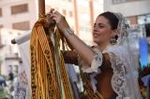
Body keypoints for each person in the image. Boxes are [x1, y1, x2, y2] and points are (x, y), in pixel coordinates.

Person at [47, 9, 142, 99]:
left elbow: (96, 61)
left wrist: (66, 29)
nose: (95, 29)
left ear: (115, 32)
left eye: (101, 26)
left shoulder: (119, 54)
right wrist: (47, 31)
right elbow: (58, 55)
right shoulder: (92, 52)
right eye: (94, 26)